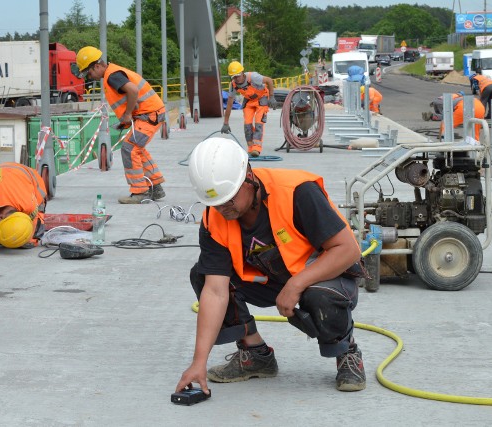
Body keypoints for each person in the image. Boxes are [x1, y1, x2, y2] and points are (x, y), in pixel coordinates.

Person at [176, 137, 367, 397]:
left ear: (249, 175)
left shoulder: (296, 192)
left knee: (321, 296)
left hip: (325, 273)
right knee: (202, 275)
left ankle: (347, 352)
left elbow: (347, 250)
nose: (224, 208)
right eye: (216, 203)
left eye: (229, 198)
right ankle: (256, 354)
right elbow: (216, 291)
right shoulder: (214, 218)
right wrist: (199, 362)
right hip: (270, 278)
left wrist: (297, 284)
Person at [76, 46, 166, 204]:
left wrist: (127, 114)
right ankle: (155, 186)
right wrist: (127, 118)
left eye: (89, 73)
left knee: (129, 148)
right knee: (137, 149)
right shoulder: (114, 73)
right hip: (150, 113)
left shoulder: (112, 76)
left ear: (97, 66)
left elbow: (132, 91)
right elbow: (131, 97)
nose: (90, 77)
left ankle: (140, 192)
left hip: (150, 115)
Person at [221, 61, 277, 158]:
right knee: (247, 125)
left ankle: (256, 148)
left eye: (238, 76)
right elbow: (229, 105)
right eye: (233, 77)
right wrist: (226, 123)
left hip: (261, 98)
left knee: (259, 122)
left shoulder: (253, 77)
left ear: (242, 72)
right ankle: (251, 149)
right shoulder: (233, 85)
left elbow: (269, 80)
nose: (236, 79)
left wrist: (271, 97)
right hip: (249, 101)